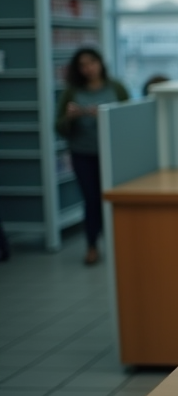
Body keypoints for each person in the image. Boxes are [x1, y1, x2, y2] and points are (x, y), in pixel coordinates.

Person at [55, 47, 130, 265]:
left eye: (91, 63)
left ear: (100, 63)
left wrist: (105, 118)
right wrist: (70, 118)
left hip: (111, 153)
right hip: (83, 153)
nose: (88, 69)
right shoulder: (72, 91)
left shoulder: (116, 88)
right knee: (91, 200)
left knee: (113, 199)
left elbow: (128, 120)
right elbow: (58, 127)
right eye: (82, 65)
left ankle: (117, 244)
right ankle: (92, 246)